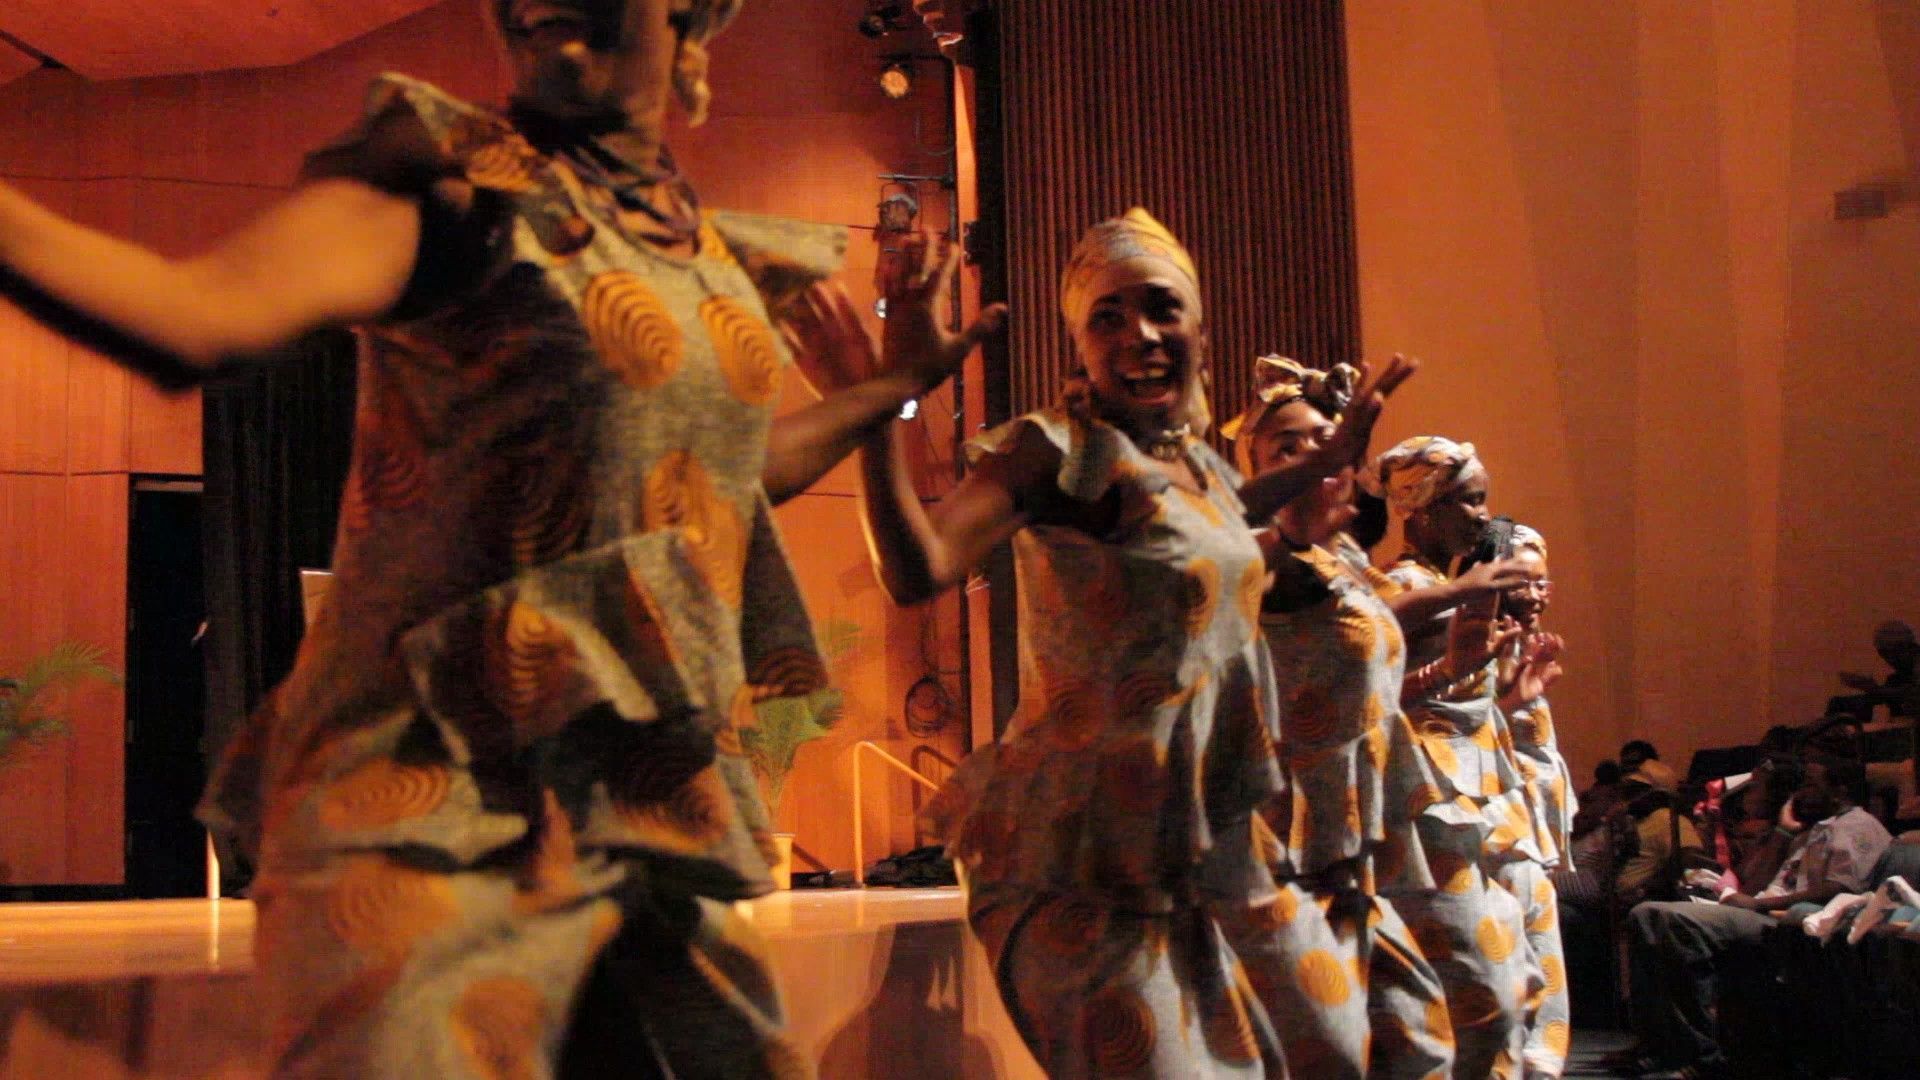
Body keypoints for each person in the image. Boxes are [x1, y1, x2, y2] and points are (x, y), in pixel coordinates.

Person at [0, 2, 997, 1073]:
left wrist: (886, 393)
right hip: (429, 803)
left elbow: (722, 483)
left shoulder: (697, 253)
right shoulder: (448, 192)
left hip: (636, 809)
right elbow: (193, 313)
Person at [846, 207, 1413, 1076]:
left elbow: (1219, 520)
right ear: (1079, 342)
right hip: (1087, 856)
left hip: (1216, 830)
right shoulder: (1053, 450)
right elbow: (918, 568)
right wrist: (882, 402)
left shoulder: (1197, 465)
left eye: (1160, 309)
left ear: (1197, 327)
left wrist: (1318, 464)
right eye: (1107, 317)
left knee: (1333, 1049)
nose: (1139, 335)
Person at [1227, 356, 1455, 1080]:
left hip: (1349, 847)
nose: (1311, 462)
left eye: (1321, 442)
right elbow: (1272, 542)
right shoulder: (1262, 558)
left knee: (1415, 1039)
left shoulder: (1344, 564)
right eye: (1284, 452)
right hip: (1292, 846)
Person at [1367, 436, 1560, 1079]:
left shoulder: (1445, 585)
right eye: (1466, 501)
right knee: (1481, 989)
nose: (1481, 516)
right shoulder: (1408, 583)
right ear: (1420, 510)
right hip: (1428, 797)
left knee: (1513, 971)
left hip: (1468, 796)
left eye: (1483, 501)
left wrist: (1502, 688)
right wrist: (1451, 660)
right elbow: (1374, 675)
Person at [1621, 756, 1893, 1079]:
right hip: (1760, 910)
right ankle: (1658, 1046)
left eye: (1810, 785)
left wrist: (1759, 906)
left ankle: (1701, 1057)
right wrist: (1782, 831)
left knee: (1667, 920)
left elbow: (1836, 889)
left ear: (1840, 789)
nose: (1801, 793)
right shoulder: (1812, 829)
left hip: (1790, 921)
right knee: (1644, 915)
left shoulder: (1859, 827)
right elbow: (1753, 882)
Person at [1493, 523, 1575, 1078]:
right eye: (1527, 580)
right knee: (1522, 961)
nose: (1540, 593)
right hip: (1503, 825)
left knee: (1538, 957)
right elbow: (1463, 727)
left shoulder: (1519, 641)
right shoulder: (1484, 639)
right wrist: (1516, 691)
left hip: (1531, 827)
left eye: (1544, 582)